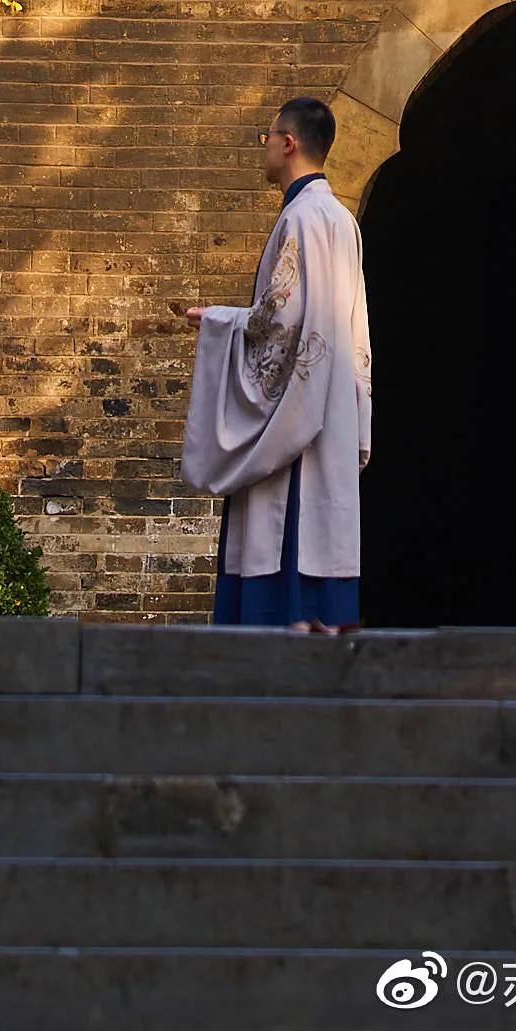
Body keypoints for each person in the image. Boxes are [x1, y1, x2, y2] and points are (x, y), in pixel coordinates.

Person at [177, 96, 372, 632]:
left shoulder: (300, 218)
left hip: (294, 425)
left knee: (279, 542)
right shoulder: (341, 220)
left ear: (288, 143)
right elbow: (351, 329)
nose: (261, 149)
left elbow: (279, 321)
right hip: (331, 410)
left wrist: (217, 321)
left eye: (265, 138)